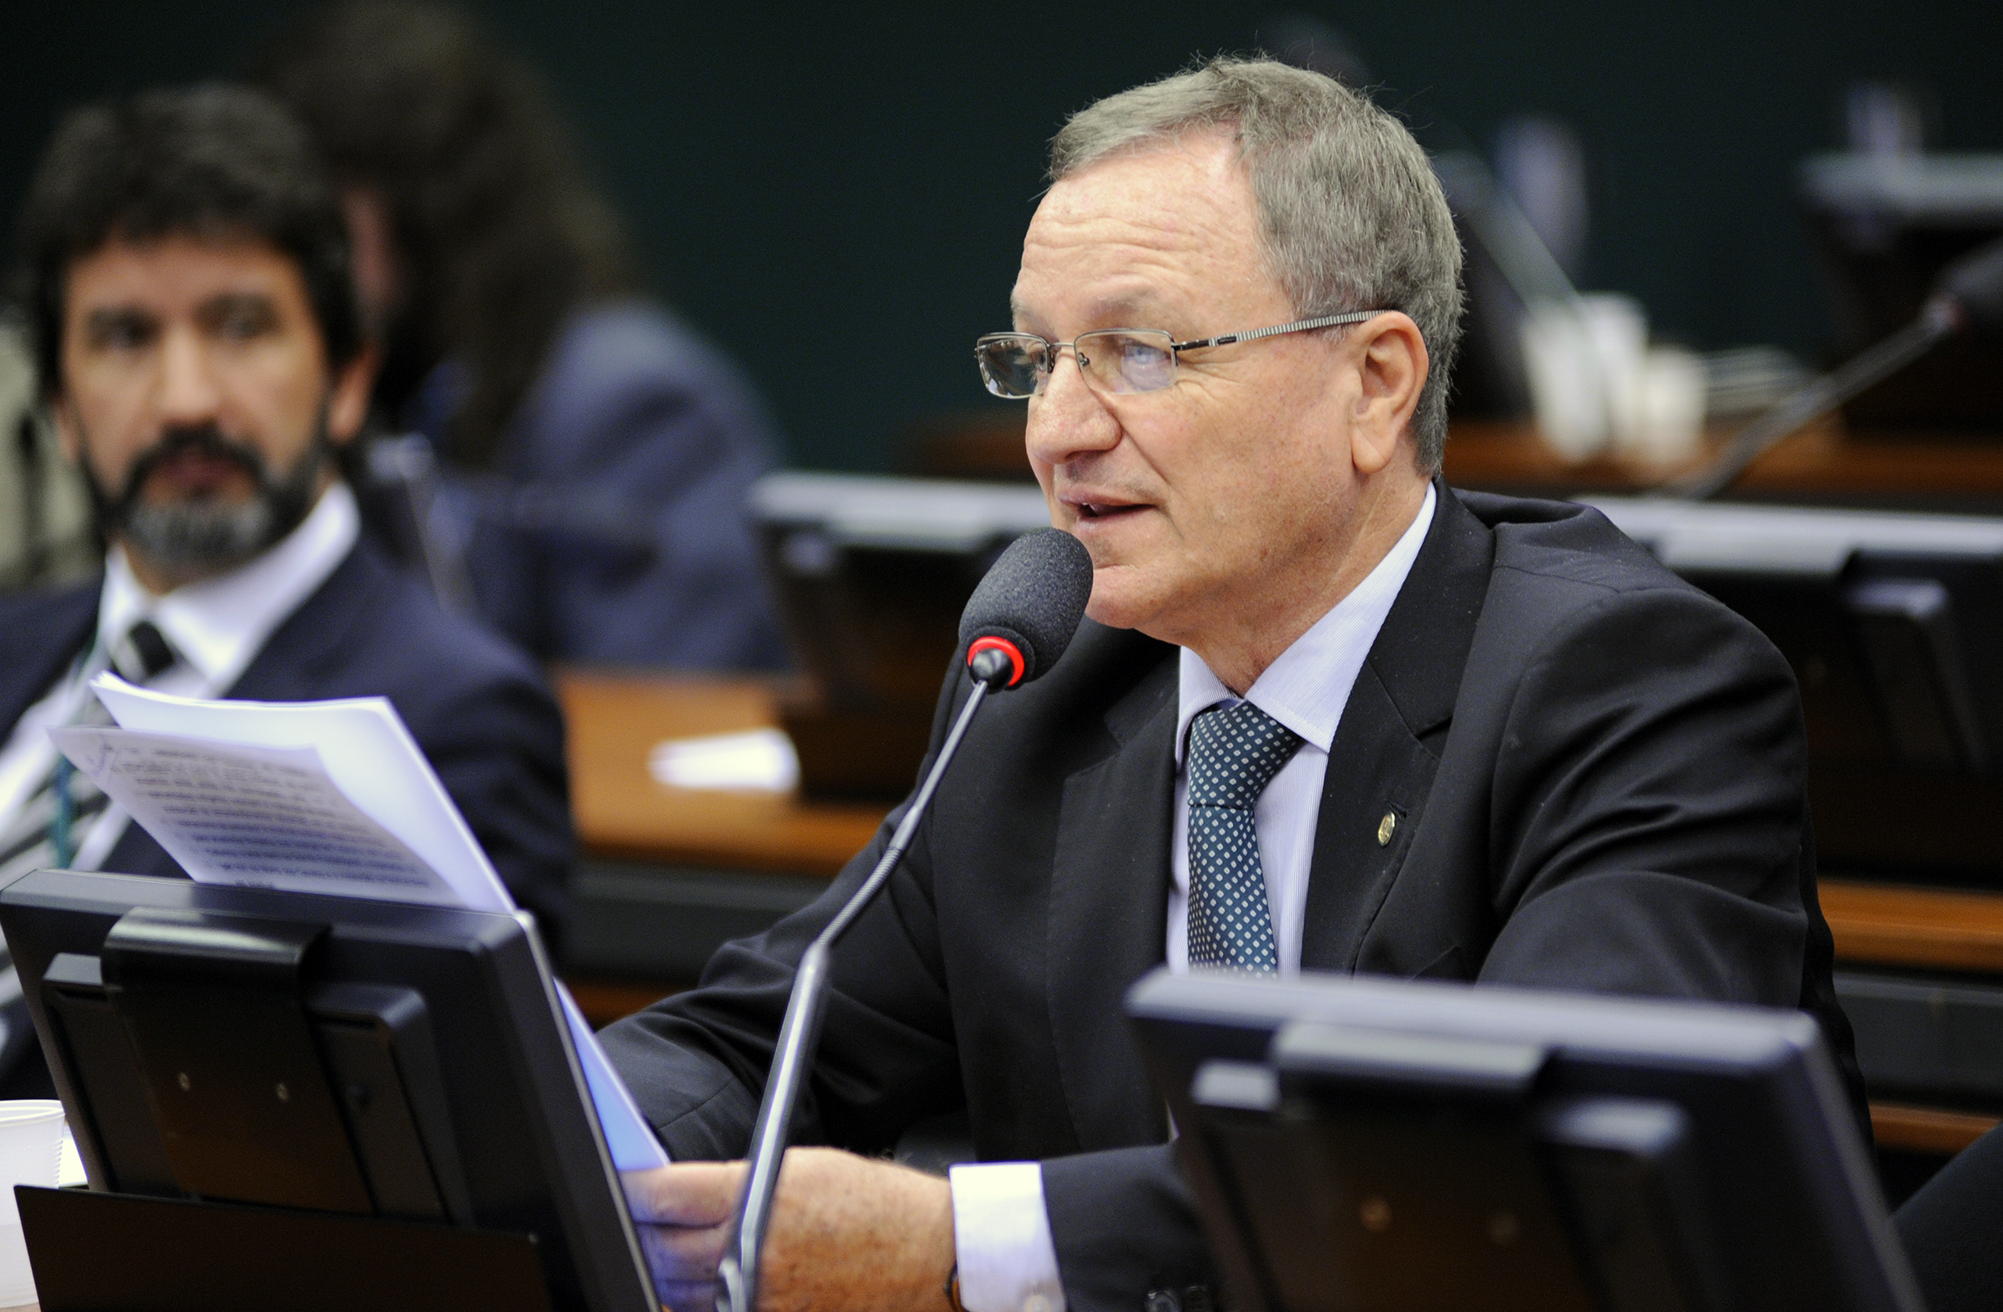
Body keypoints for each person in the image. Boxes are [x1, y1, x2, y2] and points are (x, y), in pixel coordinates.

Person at [600, 57, 1859, 1312]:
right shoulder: (1038, 695)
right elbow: (756, 1044)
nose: (1057, 431)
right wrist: (560, 1121)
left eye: (1136, 352)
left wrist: (956, 1242)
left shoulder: (1628, 688)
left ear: (1374, 383)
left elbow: (1517, 1175)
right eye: (1037, 360)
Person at [0, 85, 570, 936]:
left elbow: (462, 1063)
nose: (185, 401)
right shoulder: (15, 650)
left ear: (346, 380)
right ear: (61, 408)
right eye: (126, 338)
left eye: (240, 327)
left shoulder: (454, 720)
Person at [253, 0, 788, 671]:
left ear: (426, 202)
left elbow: (664, 720)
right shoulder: (361, 393)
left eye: (324, 205)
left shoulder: (635, 404)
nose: (294, 250)